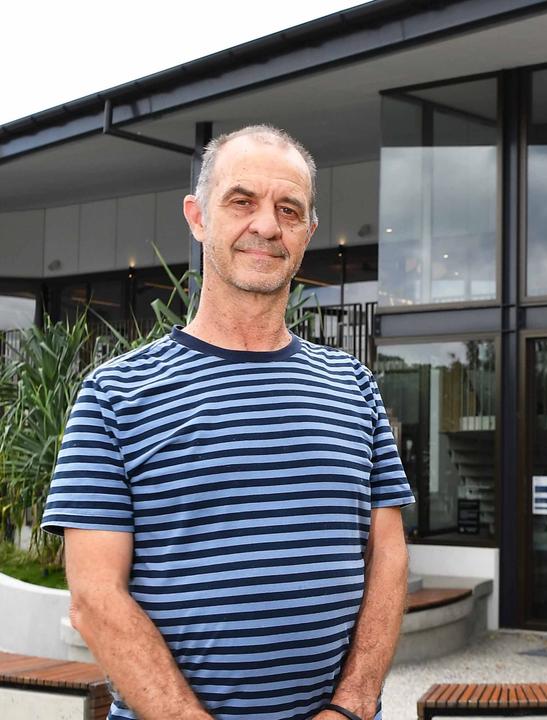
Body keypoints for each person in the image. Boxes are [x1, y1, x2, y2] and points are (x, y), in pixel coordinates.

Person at [41, 125, 415, 720]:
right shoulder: (114, 395)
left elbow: (389, 555)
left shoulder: (354, 387)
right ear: (197, 216)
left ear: (308, 232)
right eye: (242, 201)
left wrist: (352, 705)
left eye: (288, 209)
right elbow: (94, 598)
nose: (266, 225)